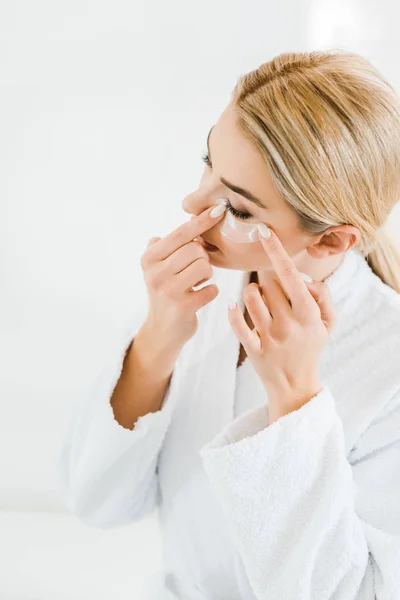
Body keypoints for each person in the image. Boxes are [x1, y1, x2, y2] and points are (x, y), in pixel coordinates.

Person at [58, 49, 400, 599]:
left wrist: (295, 398)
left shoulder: (388, 362)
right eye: (207, 159)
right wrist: (158, 338)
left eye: (239, 210)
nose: (193, 202)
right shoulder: (199, 300)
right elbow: (95, 502)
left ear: (333, 238)